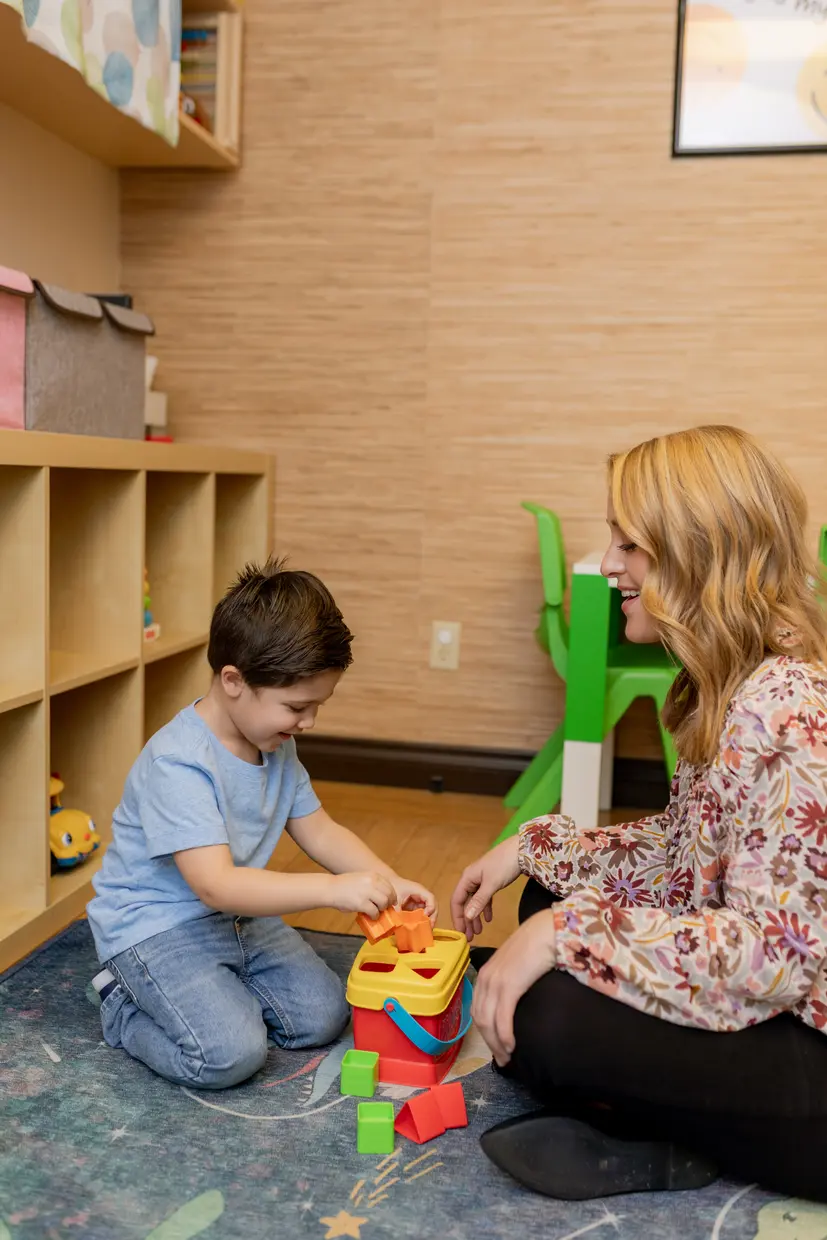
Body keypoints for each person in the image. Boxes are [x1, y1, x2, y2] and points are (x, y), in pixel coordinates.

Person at [452, 426, 827, 1201]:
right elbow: (687, 854)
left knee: (547, 1014)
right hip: (770, 992)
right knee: (542, 901)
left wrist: (568, 935)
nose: (609, 565)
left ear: (696, 553)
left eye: (630, 543)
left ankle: (668, 1137)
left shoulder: (785, 715)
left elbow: (775, 958)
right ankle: (666, 1121)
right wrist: (534, 847)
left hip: (811, 1049)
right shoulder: (724, 679)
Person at [87, 558, 436, 1089]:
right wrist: (331, 890)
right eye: (296, 706)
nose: (309, 722)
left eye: (318, 705)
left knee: (323, 1017)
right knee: (228, 1056)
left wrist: (390, 881)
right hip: (156, 928)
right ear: (233, 681)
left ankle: (216, 991)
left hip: (234, 916)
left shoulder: (276, 746)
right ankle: (121, 1005)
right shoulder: (178, 762)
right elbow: (215, 883)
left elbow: (320, 831)